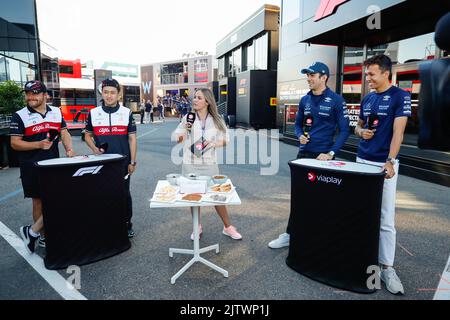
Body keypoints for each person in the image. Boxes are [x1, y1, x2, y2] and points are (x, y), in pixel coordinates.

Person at [268, 61, 350, 249]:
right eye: (308, 75)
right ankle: (291, 234)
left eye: (312, 75)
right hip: (303, 155)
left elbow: (345, 131)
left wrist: (330, 153)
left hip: (324, 158)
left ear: (323, 78)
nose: (308, 79)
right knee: (299, 197)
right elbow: (297, 125)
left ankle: (321, 238)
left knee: (323, 199)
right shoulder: (305, 100)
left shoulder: (337, 100)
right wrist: (299, 136)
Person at [354, 54, 411, 295]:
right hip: (361, 160)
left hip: (383, 165)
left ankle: (387, 268)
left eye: (371, 74)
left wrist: (390, 161)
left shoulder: (401, 96)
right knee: (361, 213)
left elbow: (398, 133)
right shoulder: (367, 98)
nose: (368, 78)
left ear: (386, 73)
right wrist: (360, 132)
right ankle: (360, 259)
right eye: (367, 74)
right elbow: (357, 125)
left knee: (386, 218)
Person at [10, 80, 75, 253]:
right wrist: (38, 145)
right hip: (31, 166)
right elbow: (15, 143)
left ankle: (31, 232)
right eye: (28, 93)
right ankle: (44, 236)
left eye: (35, 93)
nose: (30, 97)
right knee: (39, 201)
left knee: (56, 199)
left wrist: (69, 149)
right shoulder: (20, 115)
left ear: (45, 95)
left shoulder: (55, 112)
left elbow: (64, 132)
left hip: (53, 164)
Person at [174, 88, 242, 241]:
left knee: (217, 196)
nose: (195, 100)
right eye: (195, 97)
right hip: (190, 163)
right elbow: (178, 138)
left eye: (199, 97)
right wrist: (184, 132)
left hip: (210, 164)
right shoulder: (188, 117)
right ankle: (197, 226)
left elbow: (226, 140)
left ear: (207, 101)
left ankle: (228, 227)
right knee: (193, 195)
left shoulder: (217, 119)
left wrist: (213, 143)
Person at [84, 78, 137, 238]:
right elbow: (87, 135)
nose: (109, 96)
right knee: (103, 194)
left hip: (122, 163)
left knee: (123, 193)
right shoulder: (93, 113)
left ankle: (127, 224)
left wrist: (133, 161)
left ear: (118, 94)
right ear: (102, 93)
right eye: (106, 92)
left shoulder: (126, 112)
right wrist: (94, 149)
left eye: (112, 92)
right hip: (102, 163)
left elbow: (132, 138)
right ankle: (108, 223)